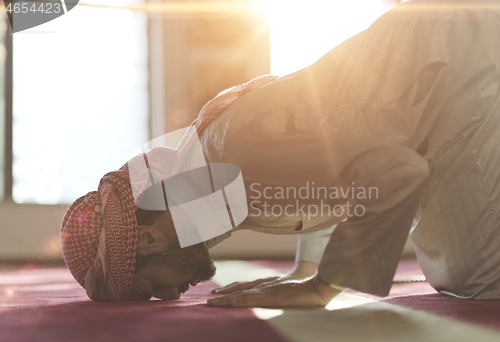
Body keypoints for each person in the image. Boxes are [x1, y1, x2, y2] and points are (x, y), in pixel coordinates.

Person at [61, 0, 500, 306]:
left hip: (461, 54)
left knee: (476, 279)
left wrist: (321, 290)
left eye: (147, 288)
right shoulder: (210, 185)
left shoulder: (235, 161)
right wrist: (306, 268)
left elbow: (396, 172)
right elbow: (328, 174)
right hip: (431, 93)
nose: (171, 295)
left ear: (148, 240)